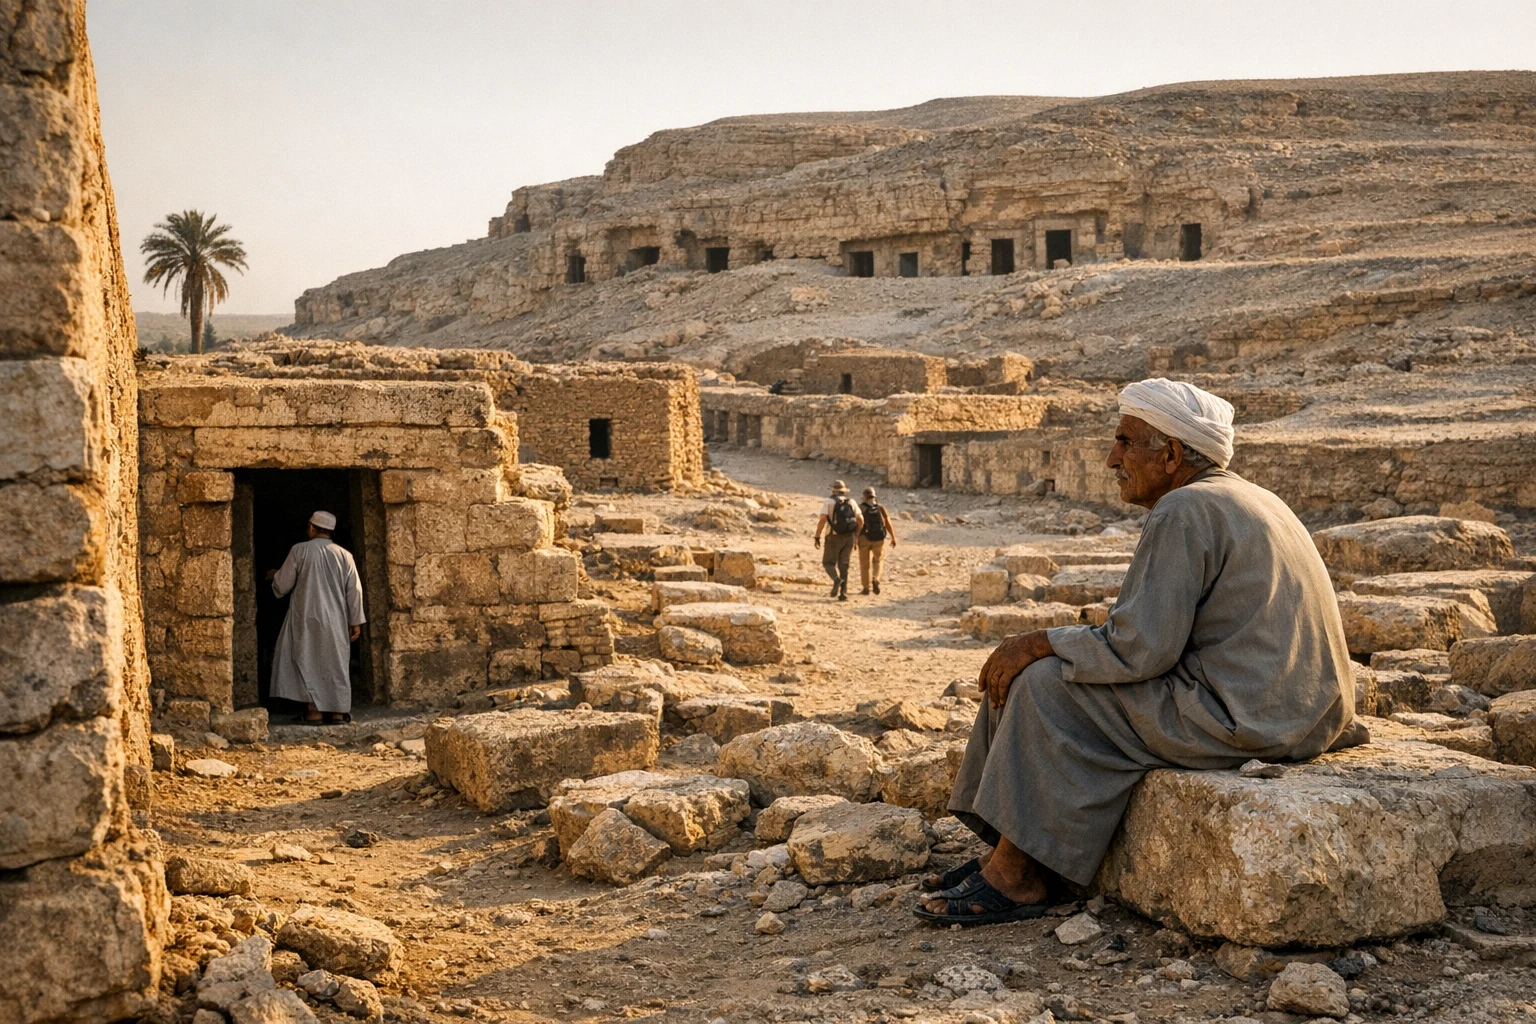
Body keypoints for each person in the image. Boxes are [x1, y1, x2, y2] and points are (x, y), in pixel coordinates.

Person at [919, 378, 1366, 926]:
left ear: (1173, 453)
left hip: (1246, 716)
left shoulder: (1183, 509)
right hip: (1304, 711)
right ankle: (1011, 851)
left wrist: (1037, 642)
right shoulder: (1251, 497)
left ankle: (1020, 877)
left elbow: (1139, 650)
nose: (1112, 459)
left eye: (1125, 442)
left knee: (1039, 684)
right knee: (1043, 669)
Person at [266, 510, 366, 724]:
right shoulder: (344, 555)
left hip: (306, 618)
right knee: (335, 663)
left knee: (308, 661)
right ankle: (338, 713)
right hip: (336, 620)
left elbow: (283, 585)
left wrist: (274, 576)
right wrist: (355, 620)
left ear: (312, 528)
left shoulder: (299, 550)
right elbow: (354, 591)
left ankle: (313, 712)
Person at [813, 480, 862, 601]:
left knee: (828, 563)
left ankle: (836, 579)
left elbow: (823, 519)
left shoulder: (829, 502)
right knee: (844, 564)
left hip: (833, 536)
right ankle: (843, 593)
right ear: (844, 491)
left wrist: (817, 536)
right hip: (849, 537)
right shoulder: (852, 502)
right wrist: (856, 534)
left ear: (832, 490)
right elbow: (860, 520)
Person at [856, 486, 896, 595]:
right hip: (878, 538)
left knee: (864, 564)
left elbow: (857, 524)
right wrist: (893, 537)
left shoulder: (861, 508)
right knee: (878, 560)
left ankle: (865, 588)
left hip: (864, 538)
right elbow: (888, 523)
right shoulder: (881, 508)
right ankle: (876, 578)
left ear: (864, 497)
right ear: (874, 496)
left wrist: (855, 538)